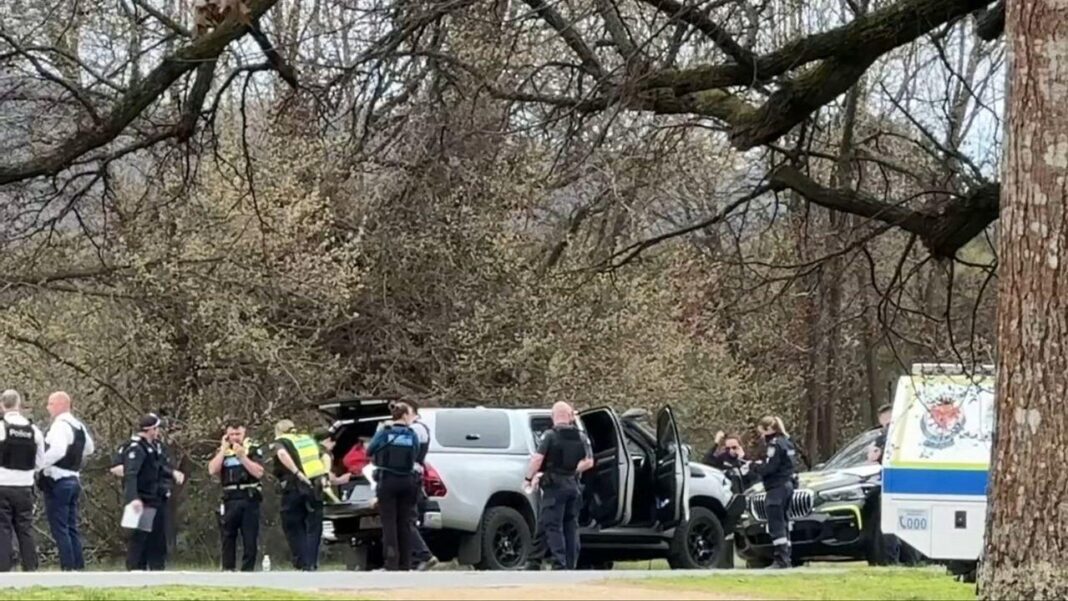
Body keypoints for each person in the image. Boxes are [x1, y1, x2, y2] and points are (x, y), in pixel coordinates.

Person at [524, 401, 594, 570]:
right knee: (569, 525)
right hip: (573, 486)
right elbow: (589, 461)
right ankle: (540, 561)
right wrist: (572, 470)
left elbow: (537, 459)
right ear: (570, 416)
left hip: (554, 486)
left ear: (553, 416)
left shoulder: (550, 435)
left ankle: (559, 564)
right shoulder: (581, 436)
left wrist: (528, 478)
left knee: (553, 525)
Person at [38, 391, 95, 571]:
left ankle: (68, 569)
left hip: (58, 479)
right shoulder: (78, 426)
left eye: (50, 404)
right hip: (73, 479)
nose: (48, 408)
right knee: (71, 527)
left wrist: (39, 464)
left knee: (60, 528)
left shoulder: (60, 425)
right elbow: (89, 448)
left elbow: (57, 451)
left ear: (60, 404)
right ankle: (78, 567)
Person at [367, 401, 419, 571]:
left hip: (387, 480)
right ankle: (406, 563)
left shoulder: (384, 433)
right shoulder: (412, 434)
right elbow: (416, 453)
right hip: (408, 481)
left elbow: (369, 451)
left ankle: (391, 563)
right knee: (404, 522)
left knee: (389, 523)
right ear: (405, 416)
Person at [272, 419, 331, 571]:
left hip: (294, 486)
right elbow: (326, 456)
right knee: (314, 526)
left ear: (279, 431)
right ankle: (311, 562)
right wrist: (325, 474)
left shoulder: (281, 441)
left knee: (293, 525)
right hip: (316, 485)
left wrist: (297, 472)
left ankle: (302, 562)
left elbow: (282, 454)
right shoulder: (307, 440)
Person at [208, 419, 265, 572]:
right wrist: (222, 450)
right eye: (232, 434)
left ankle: (247, 570)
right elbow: (212, 470)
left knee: (250, 536)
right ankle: (228, 568)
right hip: (230, 497)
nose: (235, 437)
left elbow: (259, 472)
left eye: (238, 433)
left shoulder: (252, 447)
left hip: (249, 496)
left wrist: (243, 457)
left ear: (244, 432)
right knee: (227, 535)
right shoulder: (224, 451)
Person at [0, 390, 45, 572]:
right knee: (25, 528)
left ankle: (3, 569)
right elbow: (40, 462)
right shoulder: (34, 430)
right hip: (25, 487)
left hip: (2, 485)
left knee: (3, 528)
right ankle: (31, 568)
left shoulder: (2, 428)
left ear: (2, 405)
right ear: (19, 405)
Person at [122, 414, 167, 571]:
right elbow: (131, 474)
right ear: (151, 429)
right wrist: (133, 497)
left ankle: (157, 570)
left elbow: (158, 468)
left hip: (155, 499)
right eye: (156, 428)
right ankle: (135, 571)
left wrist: (172, 473)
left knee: (157, 540)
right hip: (143, 501)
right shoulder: (136, 448)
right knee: (139, 539)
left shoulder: (154, 446)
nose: (158, 431)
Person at [753, 415, 798, 570]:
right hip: (788, 485)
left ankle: (781, 559)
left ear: (768, 429)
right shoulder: (788, 442)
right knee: (785, 522)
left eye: (762, 432)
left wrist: (754, 467)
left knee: (776, 523)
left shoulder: (774, 445)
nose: (761, 436)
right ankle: (787, 557)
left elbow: (770, 468)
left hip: (776, 487)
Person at [407, 401, 437, 571]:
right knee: (409, 519)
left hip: (411, 477)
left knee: (407, 519)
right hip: (413, 477)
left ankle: (423, 555)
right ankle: (414, 558)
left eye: (405, 409)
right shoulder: (415, 428)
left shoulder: (416, 429)